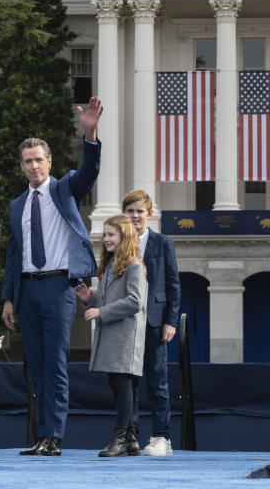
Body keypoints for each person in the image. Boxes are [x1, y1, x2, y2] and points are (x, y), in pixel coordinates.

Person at [1, 96, 104, 457]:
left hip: (58, 286)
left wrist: (90, 135)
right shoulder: (16, 206)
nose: (33, 167)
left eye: (39, 160)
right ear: (22, 166)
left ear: (49, 162)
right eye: (27, 162)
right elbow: (14, 254)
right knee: (36, 367)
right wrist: (8, 298)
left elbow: (89, 173)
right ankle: (41, 436)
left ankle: (55, 437)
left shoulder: (64, 189)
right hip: (27, 291)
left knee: (56, 364)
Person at [74, 214, 147, 457]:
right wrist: (89, 299)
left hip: (125, 335)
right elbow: (106, 300)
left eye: (111, 234)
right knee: (117, 383)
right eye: (105, 234)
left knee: (122, 382)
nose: (106, 239)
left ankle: (121, 439)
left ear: (123, 236)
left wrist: (100, 311)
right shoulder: (110, 266)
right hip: (112, 334)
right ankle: (131, 439)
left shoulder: (134, 265)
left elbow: (135, 301)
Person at [122, 189, 180, 456]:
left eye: (139, 211)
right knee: (128, 383)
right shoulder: (118, 242)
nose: (135, 216)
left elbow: (173, 285)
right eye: (130, 211)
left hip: (156, 322)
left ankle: (162, 437)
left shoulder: (163, 242)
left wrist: (170, 321)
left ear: (150, 214)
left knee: (158, 382)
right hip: (126, 323)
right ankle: (130, 437)